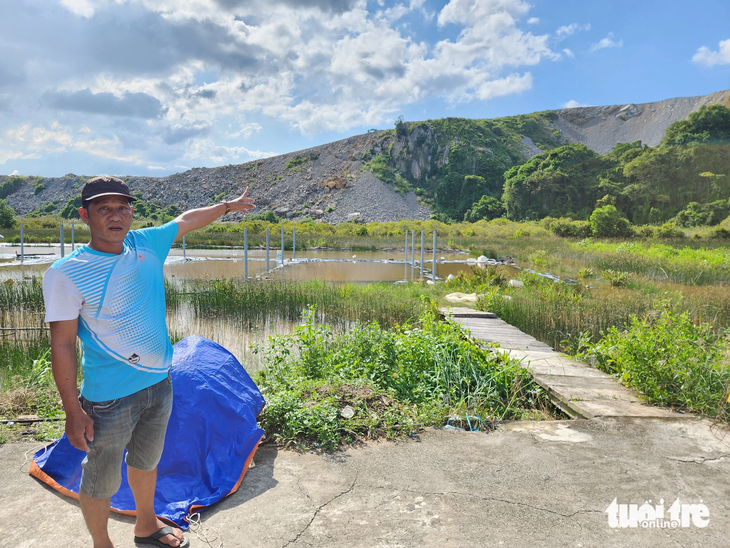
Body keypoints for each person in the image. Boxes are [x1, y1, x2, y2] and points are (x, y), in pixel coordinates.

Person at [43, 176, 255, 548]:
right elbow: (61, 345)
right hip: (108, 398)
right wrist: (72, 410)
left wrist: (226, 207)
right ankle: (102, 544)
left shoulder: (145, 245)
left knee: (146, 462)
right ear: (84, 215)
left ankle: (145, 526)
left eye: (122, 207)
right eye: (103, 208)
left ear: (131, 213)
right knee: (100, 479)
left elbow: (186, 220)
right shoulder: (65, 273)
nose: (115, 216)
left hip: (159, 383)